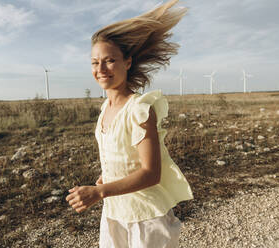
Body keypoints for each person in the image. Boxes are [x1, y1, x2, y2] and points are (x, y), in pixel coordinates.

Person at [66, 0, 193, 247]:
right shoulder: (105, 109)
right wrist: (106, 177)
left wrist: (99, 192)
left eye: (109, 60)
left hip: (145, 219)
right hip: (114, 214)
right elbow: (125, 158)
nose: (100, 68)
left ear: (128, 62)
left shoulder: (139, 109)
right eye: (94, 62)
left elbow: (151, 173)